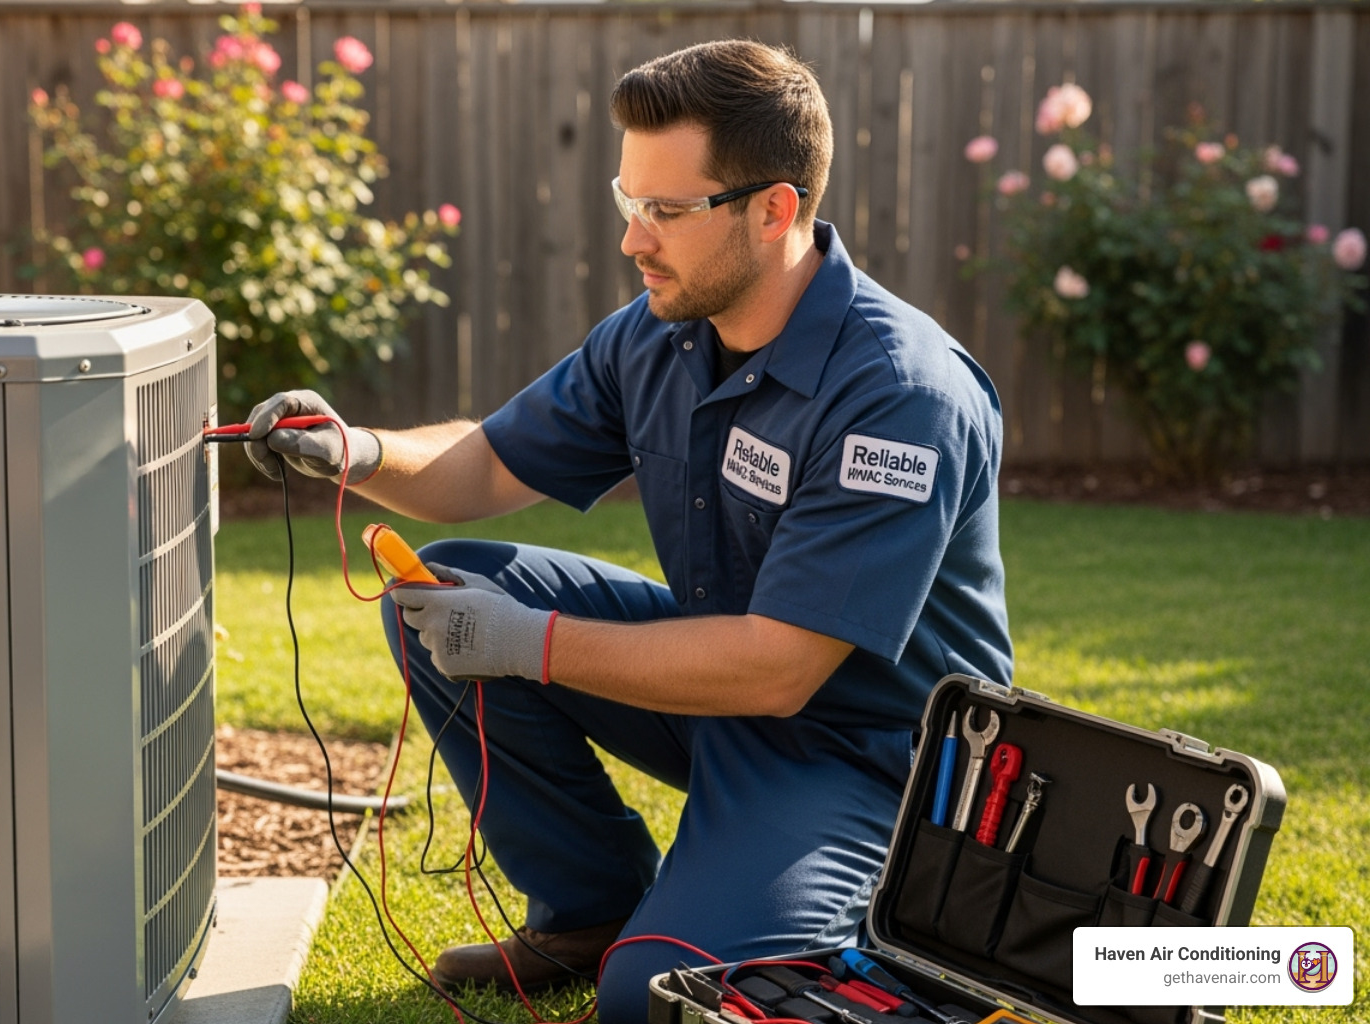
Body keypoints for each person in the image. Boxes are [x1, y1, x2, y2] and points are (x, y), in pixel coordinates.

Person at [245, 38, 1012, 1022]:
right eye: (629, 200)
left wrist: (532, 645)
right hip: (724, 693)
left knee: (651, 998)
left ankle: (926, 938)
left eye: (667, 211)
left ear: (774, 209)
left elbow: (781, 669)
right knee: (442, 588)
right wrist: (354, 450)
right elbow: (487, 462)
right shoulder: (660, 334)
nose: (632, 239)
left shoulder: (898, 395)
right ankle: (590, 910)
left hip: (868, 758)